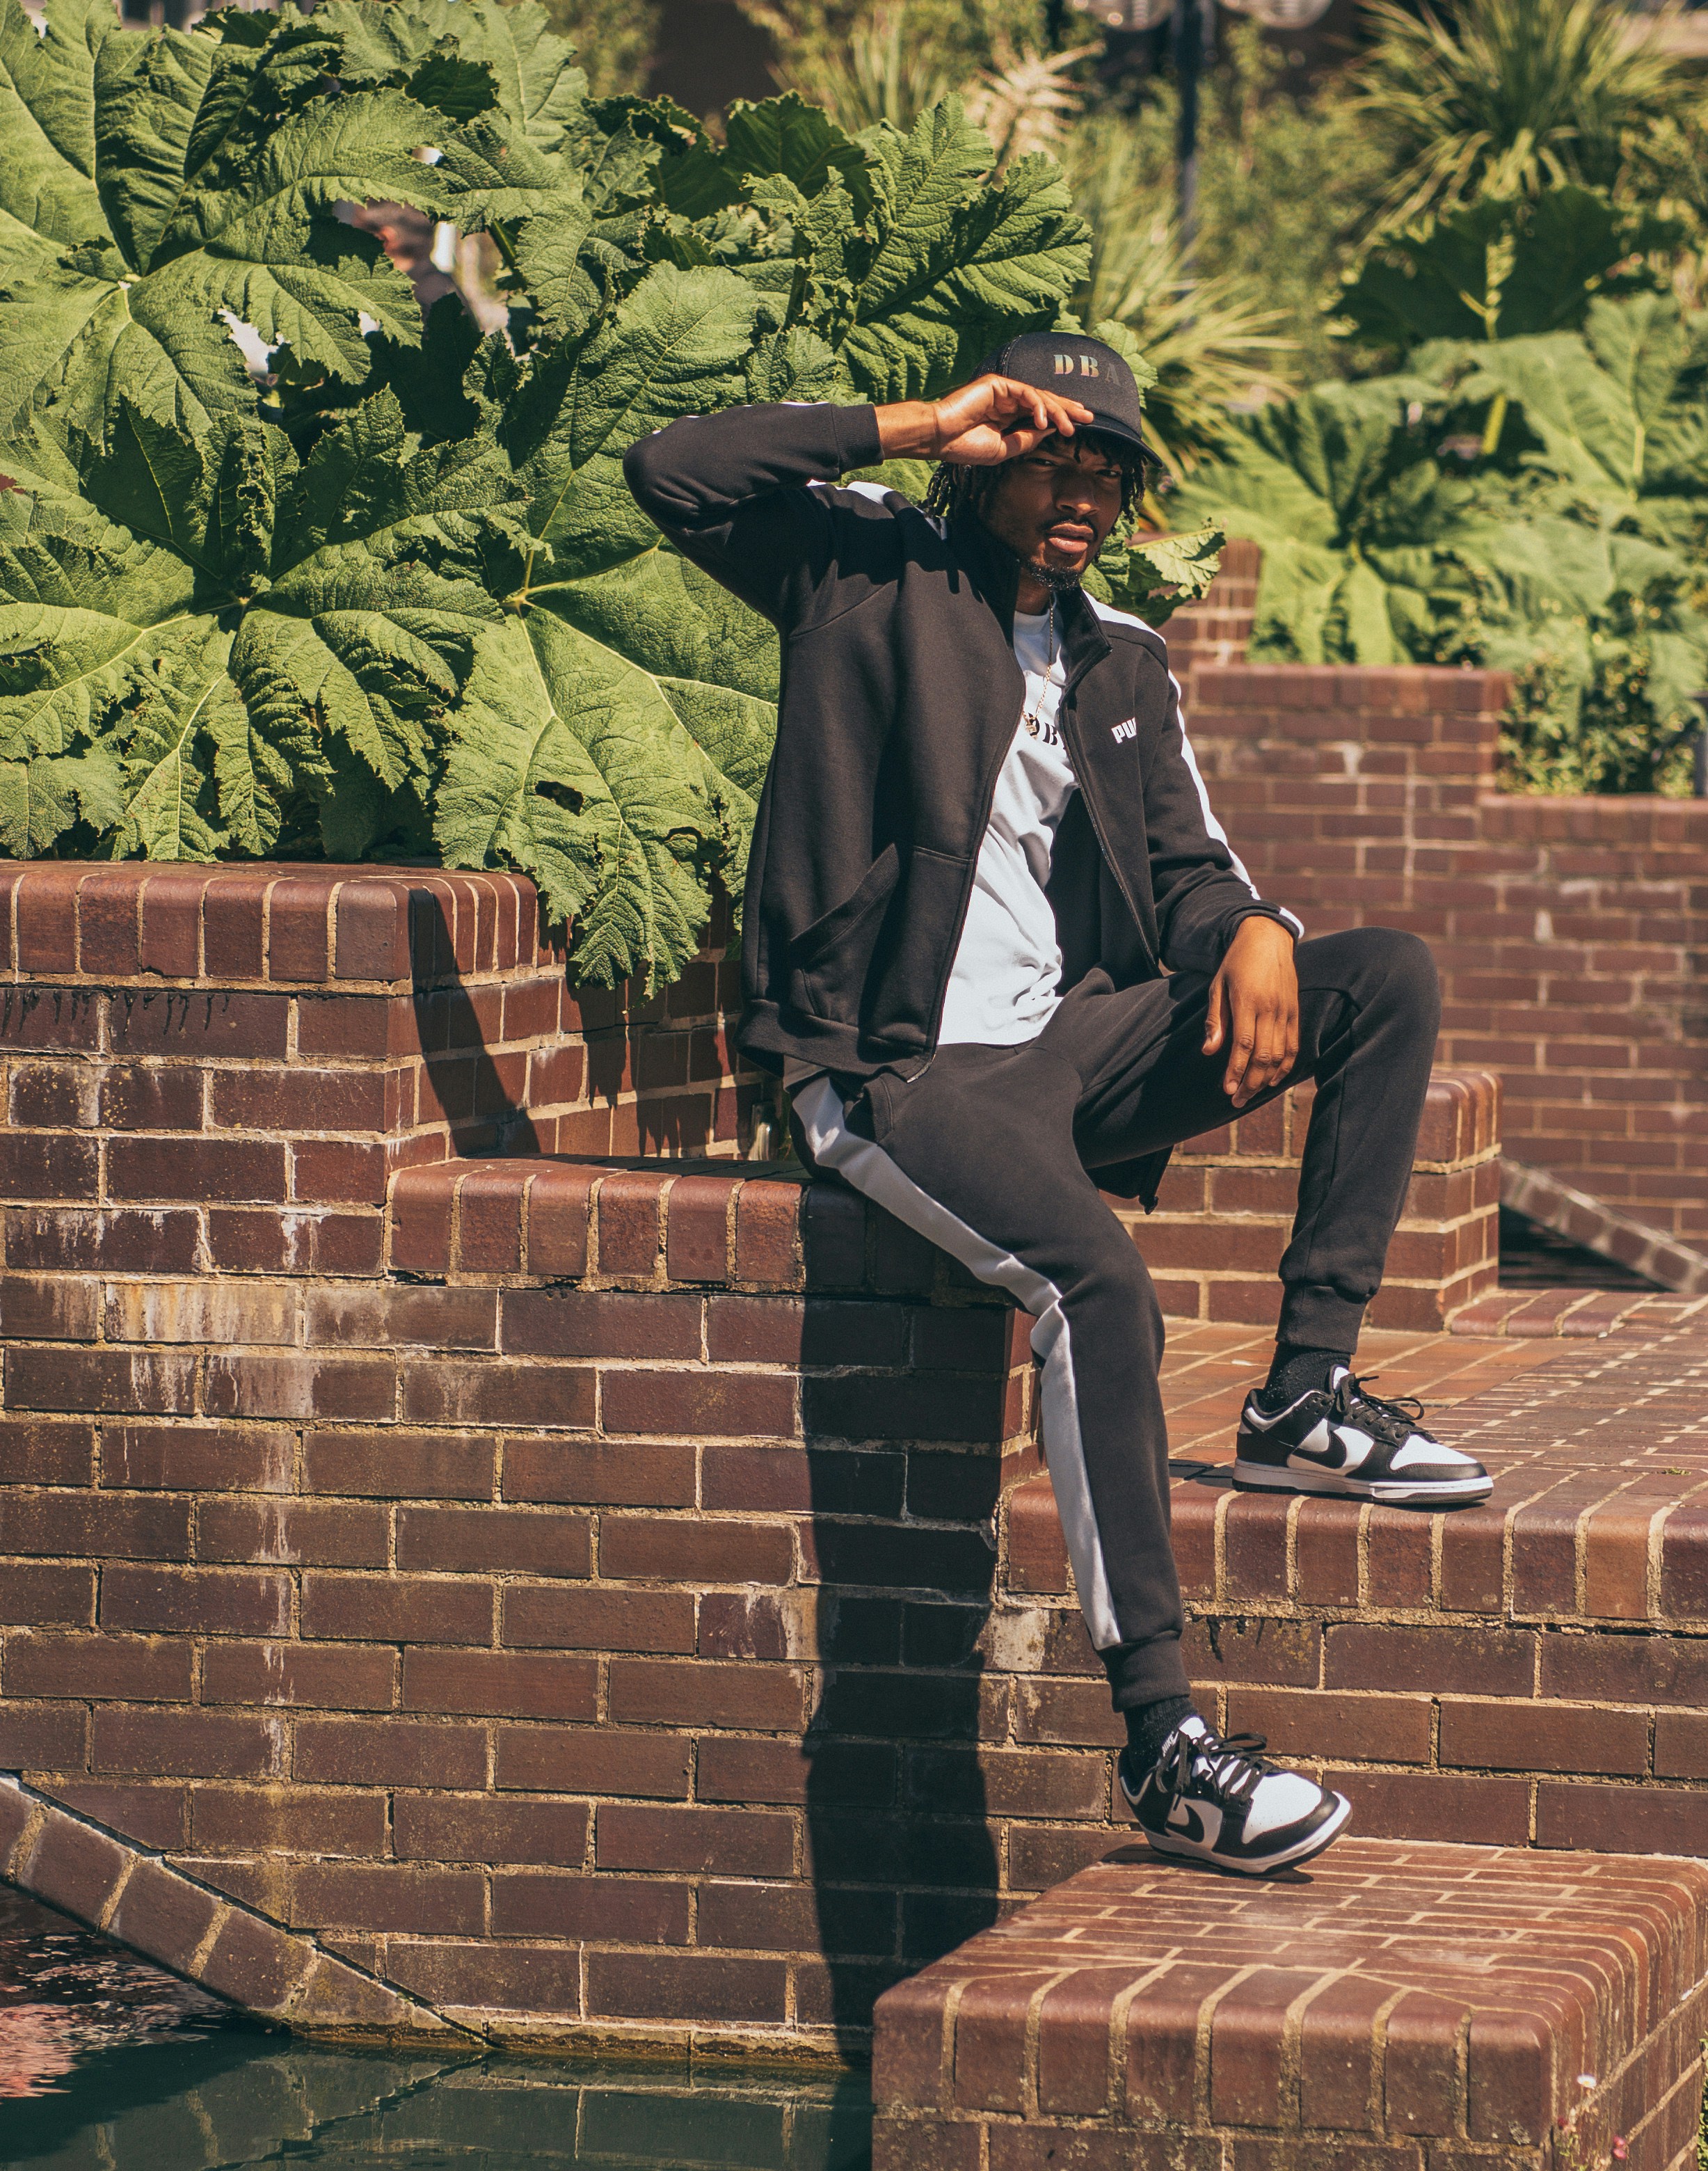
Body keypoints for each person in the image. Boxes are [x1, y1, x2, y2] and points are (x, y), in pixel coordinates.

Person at [623, 335, 1492, 1878]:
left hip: (1064, 1047)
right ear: (989, 462)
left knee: (1386, 977)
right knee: (1098, 1287)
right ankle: (1164, 1744)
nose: (1082, 492)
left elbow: (1189, 869)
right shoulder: (863, 572)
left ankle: (1303, 1393)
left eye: (1108, 470)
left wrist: (1259, 930)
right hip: (899, 1062)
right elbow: (670, 472)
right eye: (1050, 458)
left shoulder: (1118, 659)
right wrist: (920, 425)